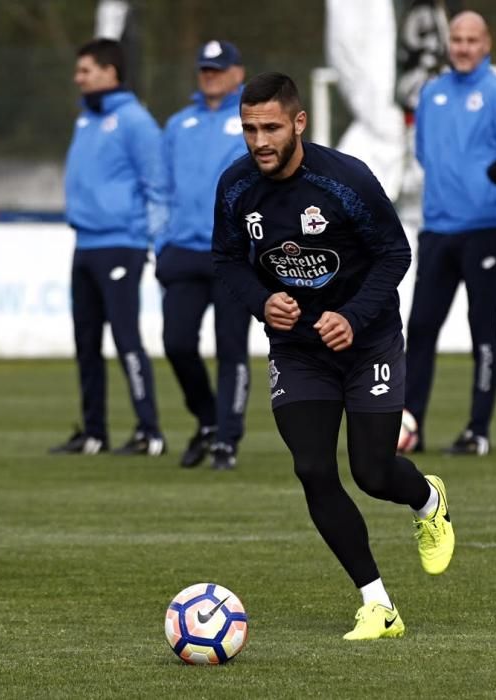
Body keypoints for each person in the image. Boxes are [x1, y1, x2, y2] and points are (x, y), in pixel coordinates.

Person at [213, 72, 454, 640]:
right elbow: (226, 261)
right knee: (313, 468)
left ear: (299, 122)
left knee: (371, 472)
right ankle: (378, 605)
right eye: (249, 128)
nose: (259, 141)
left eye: (271, 127)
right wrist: (261, 301)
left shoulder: (346, 180)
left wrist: (353, 316)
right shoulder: (234, 187)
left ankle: (427, 497)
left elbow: (395, 254)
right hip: (298, 353)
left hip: (367, 342)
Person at [402, 10, 496, 457]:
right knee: (419, 328)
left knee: (482, 327)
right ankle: (409, 426)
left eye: (472, 39)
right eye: (456, 38)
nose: (463, 47)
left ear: (487, 42)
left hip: (484, 230)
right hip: (437, 228)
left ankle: (478, 430)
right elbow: (423, 155)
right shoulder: (431, 94)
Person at [50, 38, 167, 457]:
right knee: (85, 342)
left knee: (125, 338)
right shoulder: (86, 120)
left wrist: (149, 239)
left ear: (110, 72)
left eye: (85, 70)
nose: (77, 78)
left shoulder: (136, 122)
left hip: (122, 245)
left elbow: (157, 186)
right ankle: (94, 434)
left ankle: (149, 431)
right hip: (85, 242)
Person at [157, 40, 252, 471]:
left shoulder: (252, 121)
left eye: (218, 69)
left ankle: (228, 439)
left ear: (237, 73)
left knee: (231, 347)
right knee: (176, 343)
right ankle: (208, 419)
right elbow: (160, 189)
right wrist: (161, 240)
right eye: (204, 70)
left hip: (231, 253)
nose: (210, 76)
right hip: (184, 248)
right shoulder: (179, 125)